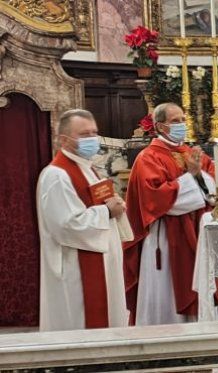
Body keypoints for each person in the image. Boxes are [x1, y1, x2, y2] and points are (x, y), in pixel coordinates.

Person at [124, 103, 218, 326]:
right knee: (166, 294)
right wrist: (194, 178)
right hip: (166, 239)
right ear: (160, 126)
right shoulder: (148, 158)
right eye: (175, 121)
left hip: (197, 234)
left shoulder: (193, 154)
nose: (182, 125)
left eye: (183, 120)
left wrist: (199, 178)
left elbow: (214, 193)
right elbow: (158, 200)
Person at [37, 109, 129, 331]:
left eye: (94, 133)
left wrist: (114, 205)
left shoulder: (86, 168)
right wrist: (107, 212)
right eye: (84, 134)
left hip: (100, 259)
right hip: (75, 268)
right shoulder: (57, 175)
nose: (92, 139)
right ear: (63, 139)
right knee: (80, 327)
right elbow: (66, 225)